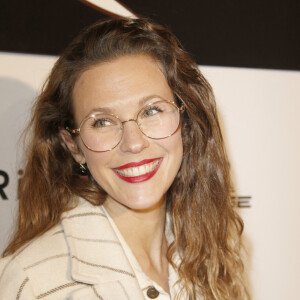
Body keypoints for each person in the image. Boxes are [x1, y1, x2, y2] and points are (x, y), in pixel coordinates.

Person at [0, 17, 249, 299]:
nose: (133, 143)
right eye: (102, 122)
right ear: (73, 145)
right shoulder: (33, 283)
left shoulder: (216, 253)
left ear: (185, 118)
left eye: (152, 111)